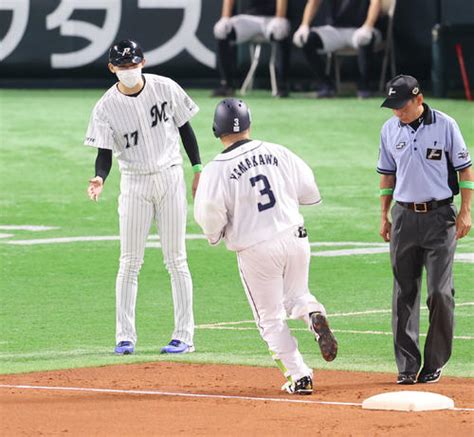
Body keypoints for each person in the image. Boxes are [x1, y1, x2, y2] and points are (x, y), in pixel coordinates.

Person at [194, 98, 338, 395]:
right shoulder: (278, 151)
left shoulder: (216, 169)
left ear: (215, 130)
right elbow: (309, 189)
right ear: (249, 125)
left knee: (270, 318)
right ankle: (313, 315)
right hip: (295, 235)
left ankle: (299, 377)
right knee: (298, 294)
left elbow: (209, 213)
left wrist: (216, 234)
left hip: (257, 248)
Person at [85, 39, 202, 355]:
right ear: (112, 69)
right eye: (122, 67)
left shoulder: (165, 88)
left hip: (170, 177)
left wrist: (198, 167)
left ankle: (184, 336)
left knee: (176, 259)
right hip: (134, 183)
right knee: (129, 262)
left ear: (143, 61)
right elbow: (104, 153)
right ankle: (124, 337)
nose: (129, 71)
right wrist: (99, 178)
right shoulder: (106, 107)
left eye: (133, 65)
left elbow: (185, 130)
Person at [377, 74, 473, 384]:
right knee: (403, 293)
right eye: (392, 107)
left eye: (401, 106)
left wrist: (466, 212)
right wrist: (383, 215)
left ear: (418, 99)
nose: (396, 113)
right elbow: (387, 175)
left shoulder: (446, 125)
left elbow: (465, 169)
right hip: (404, 217)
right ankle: (406, 367)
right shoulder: (390, 129)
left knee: (439, 294)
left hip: (440, 217)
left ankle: (434, 362)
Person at [293, 0, 382, 98]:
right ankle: (327, 84)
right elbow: (313, 2)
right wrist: (304, 25)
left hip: (361, 28)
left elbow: (376, 3)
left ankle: (364, 86)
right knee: (307, 40)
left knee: (364, 39)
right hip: (335, 30)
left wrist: (368, 25)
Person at [213, 0, 291, 97]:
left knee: (280, 29)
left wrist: (280, 17)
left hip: (272, 19)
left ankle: (282, 86)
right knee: (221, 29)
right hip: (248, 19)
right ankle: (227, 84)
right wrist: (225, 17)